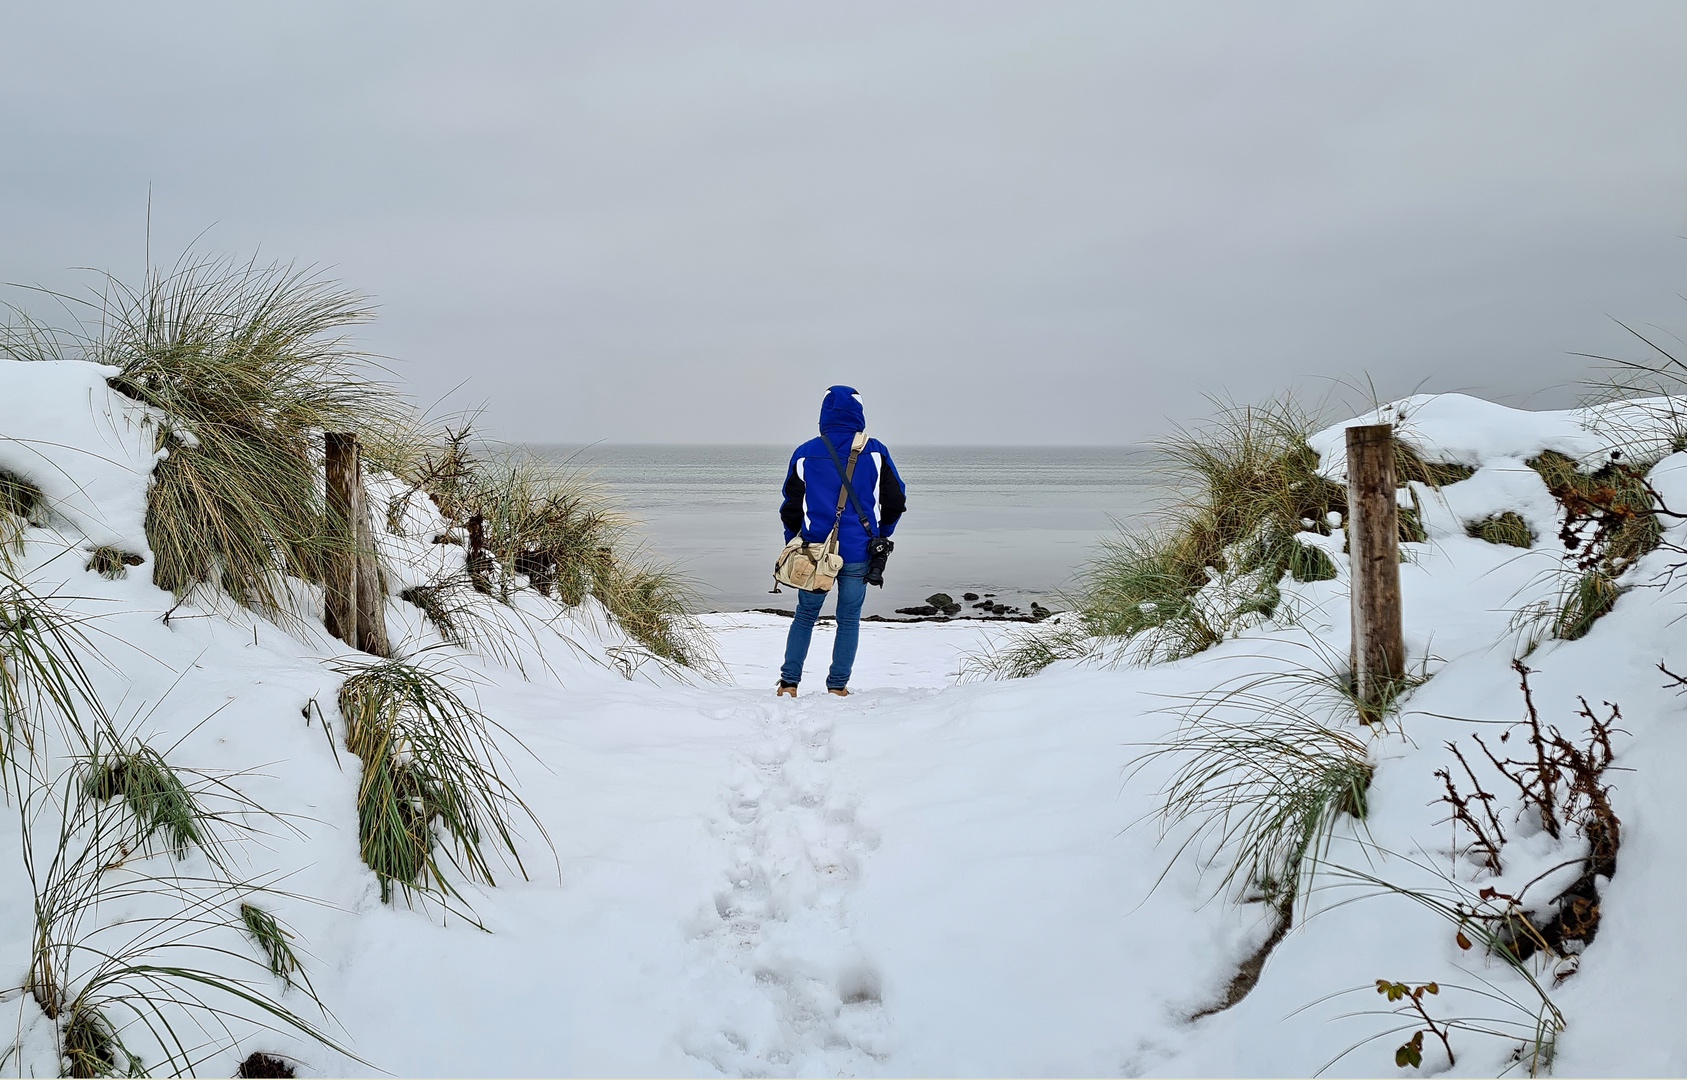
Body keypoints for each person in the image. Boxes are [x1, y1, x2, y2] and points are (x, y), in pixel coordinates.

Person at [776, 385, 906, 697]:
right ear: (859, 413)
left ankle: (789, 684)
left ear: (823, 415)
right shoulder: (875, 451)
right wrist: (883, 534)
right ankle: (837, 687)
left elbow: (790, 505)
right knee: (848, 619)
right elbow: (895, 499)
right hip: (859, 549)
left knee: (805, 615)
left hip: (814, 551)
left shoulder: (805, 452)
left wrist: (792, 538)